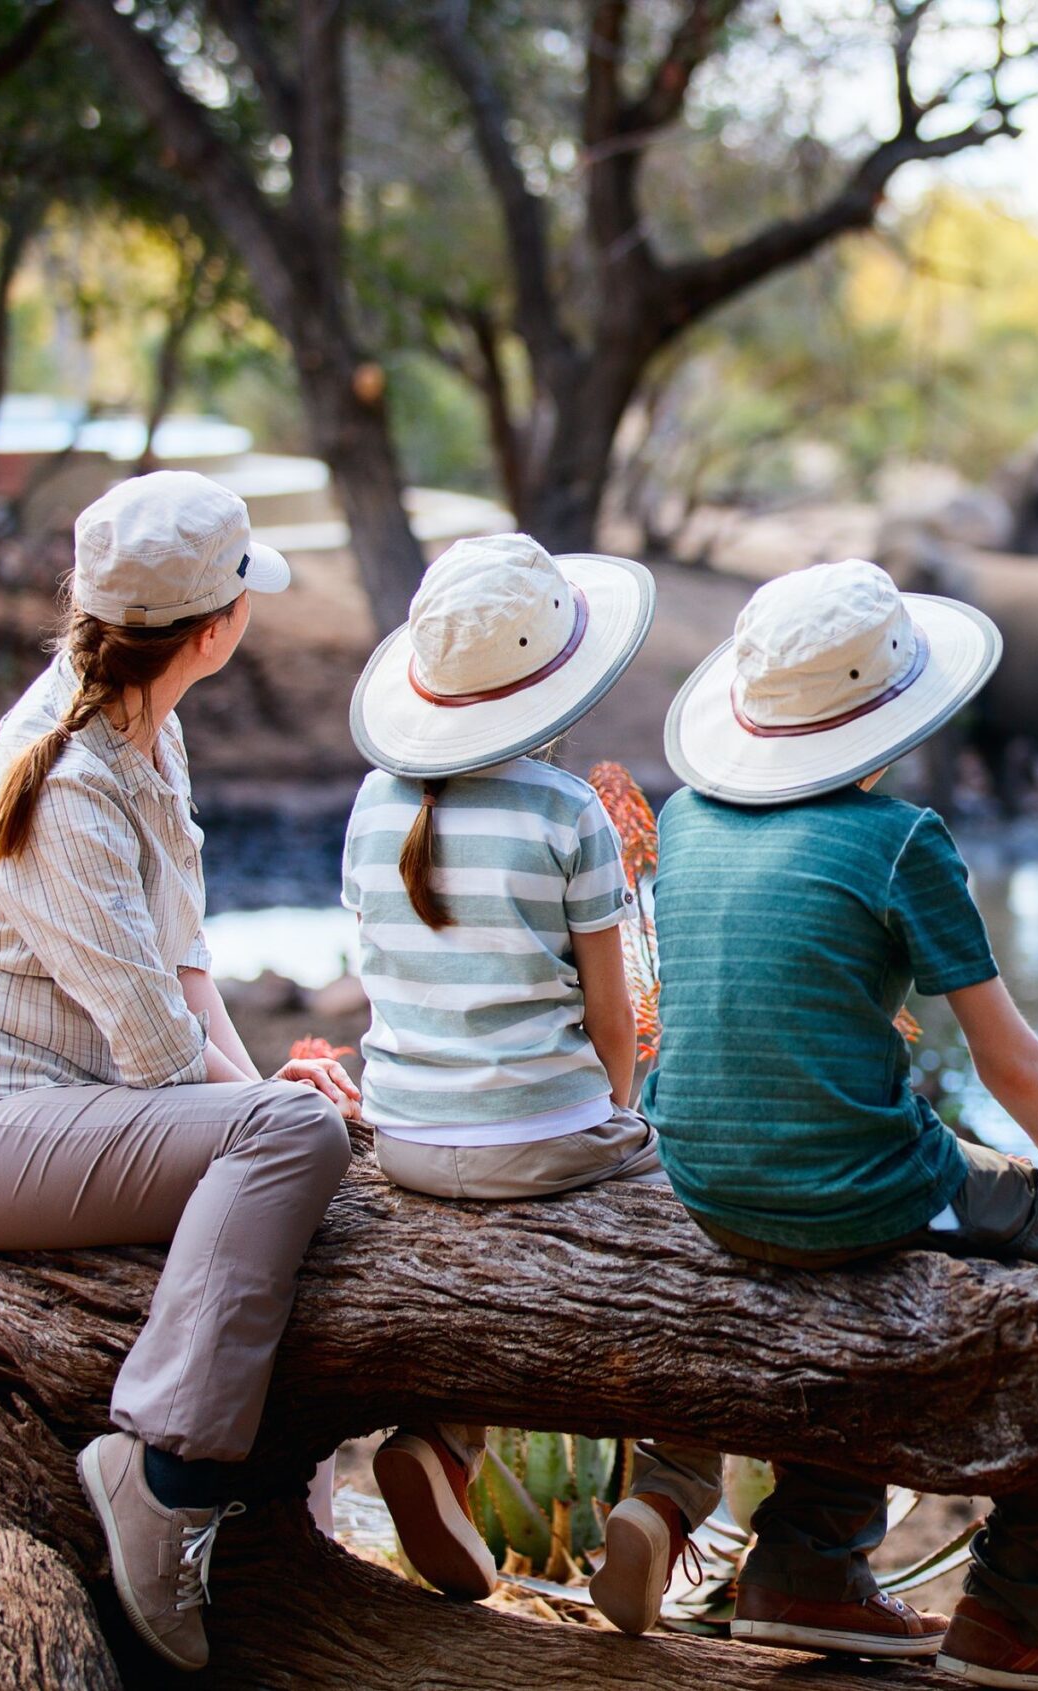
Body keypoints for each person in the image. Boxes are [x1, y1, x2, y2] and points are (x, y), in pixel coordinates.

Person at [621, 558, 1038, 1691]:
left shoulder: (685, 816)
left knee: (856, 1258)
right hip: (854, 1187)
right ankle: (1018, 1608)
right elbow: (1008, 1056)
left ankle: (806, 1565)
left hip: (700, 1179)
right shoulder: (901, 839)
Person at [0, 471, 361, 1673]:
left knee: (298, 1131)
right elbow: (152, 1051)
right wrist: (275, 1118)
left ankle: (281, 1517)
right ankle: (163, 1470)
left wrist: (271, 1085)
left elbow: (185, 971)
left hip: (51, 1115)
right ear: (214, 627)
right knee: (295, 1143)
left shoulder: (147, 726)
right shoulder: (68, 780)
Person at [338, 531, 719, 1611]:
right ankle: (669, 1489)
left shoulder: (373, 804)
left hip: (407, 1137)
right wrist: (623, 1123)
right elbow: (610, 1017)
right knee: (704, 1253)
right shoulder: (567, 813)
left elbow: (379, 974)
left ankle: (445, 1439)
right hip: (549, 1138)